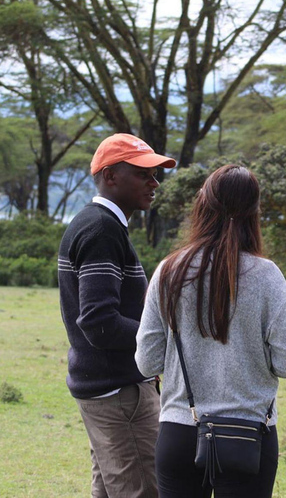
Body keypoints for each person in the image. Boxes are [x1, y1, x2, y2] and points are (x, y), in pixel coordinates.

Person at [135, 164, 286, 498]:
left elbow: (146, 362)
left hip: (179, 431)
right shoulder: (267, 276)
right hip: (249, 436)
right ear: (254, 213)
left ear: (203, 205)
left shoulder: (169, 270)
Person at [58, 133, 176, 497]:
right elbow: (99, 323)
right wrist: (168, 340)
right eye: (143, 173)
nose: (154, 183)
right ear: (110, 176)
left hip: (108, 388)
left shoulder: (101, 226)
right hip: (119, 395)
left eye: (155, 174)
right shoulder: (101, 230)